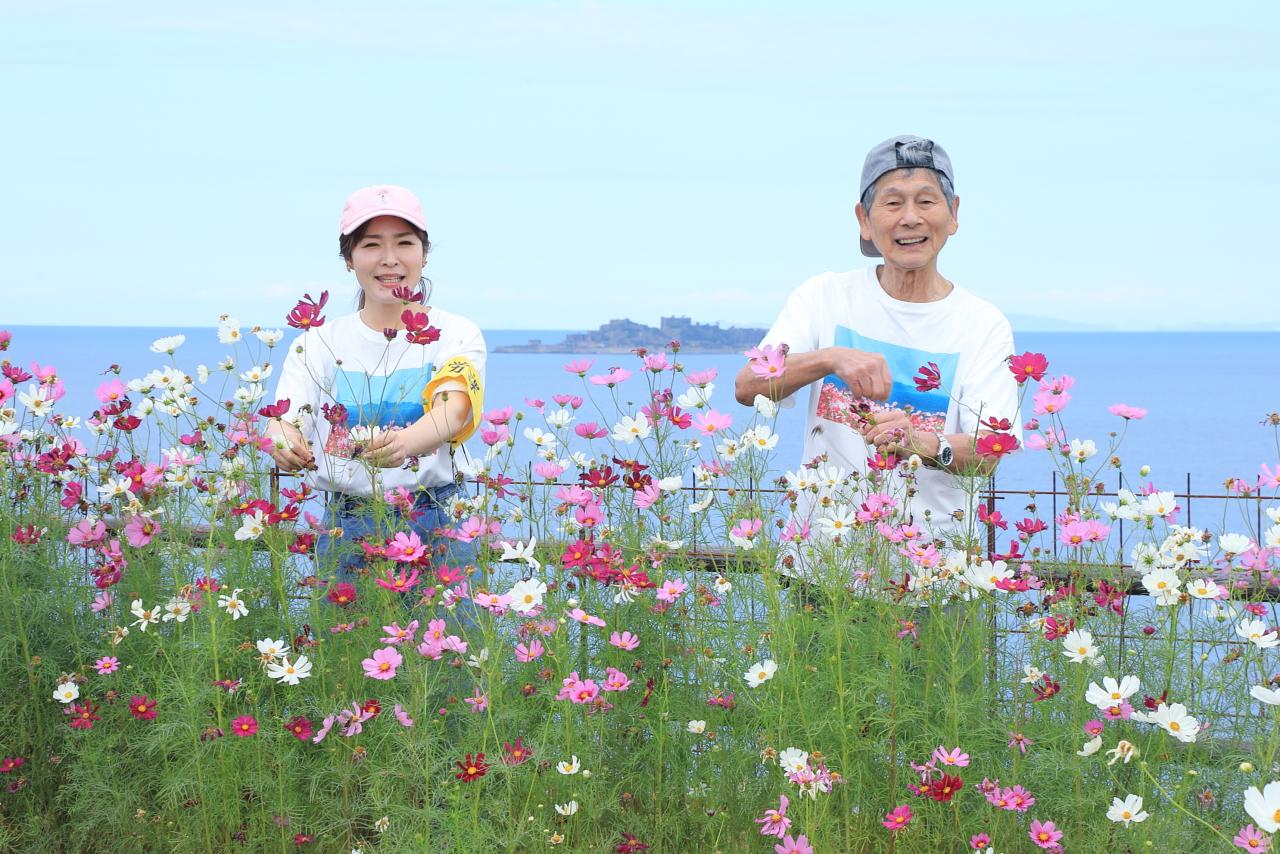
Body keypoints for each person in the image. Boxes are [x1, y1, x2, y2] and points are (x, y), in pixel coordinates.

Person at [735, 135, 1020, 579]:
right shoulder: (824, 296)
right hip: (820, 569)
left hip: (931, 579)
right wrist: (830, 359)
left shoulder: (982, 324)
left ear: (954, 214)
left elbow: (990, 450)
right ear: (864, 220)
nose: (910, 218)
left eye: (927, 201)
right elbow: (748, 386)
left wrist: (918, 443)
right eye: (892, 203)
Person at [265, 184, 485, 576]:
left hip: (436, 515)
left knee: (449, 638)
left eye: (404, 243)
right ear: (348, 258)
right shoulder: (316, 342)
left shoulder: (456, 333)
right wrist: (282, 439)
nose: (389, 260)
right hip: (347, 519)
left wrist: (403, 444)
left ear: (424, 253)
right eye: (370, 245)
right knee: (344, 638)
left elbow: (453, 410)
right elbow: (286, 415)